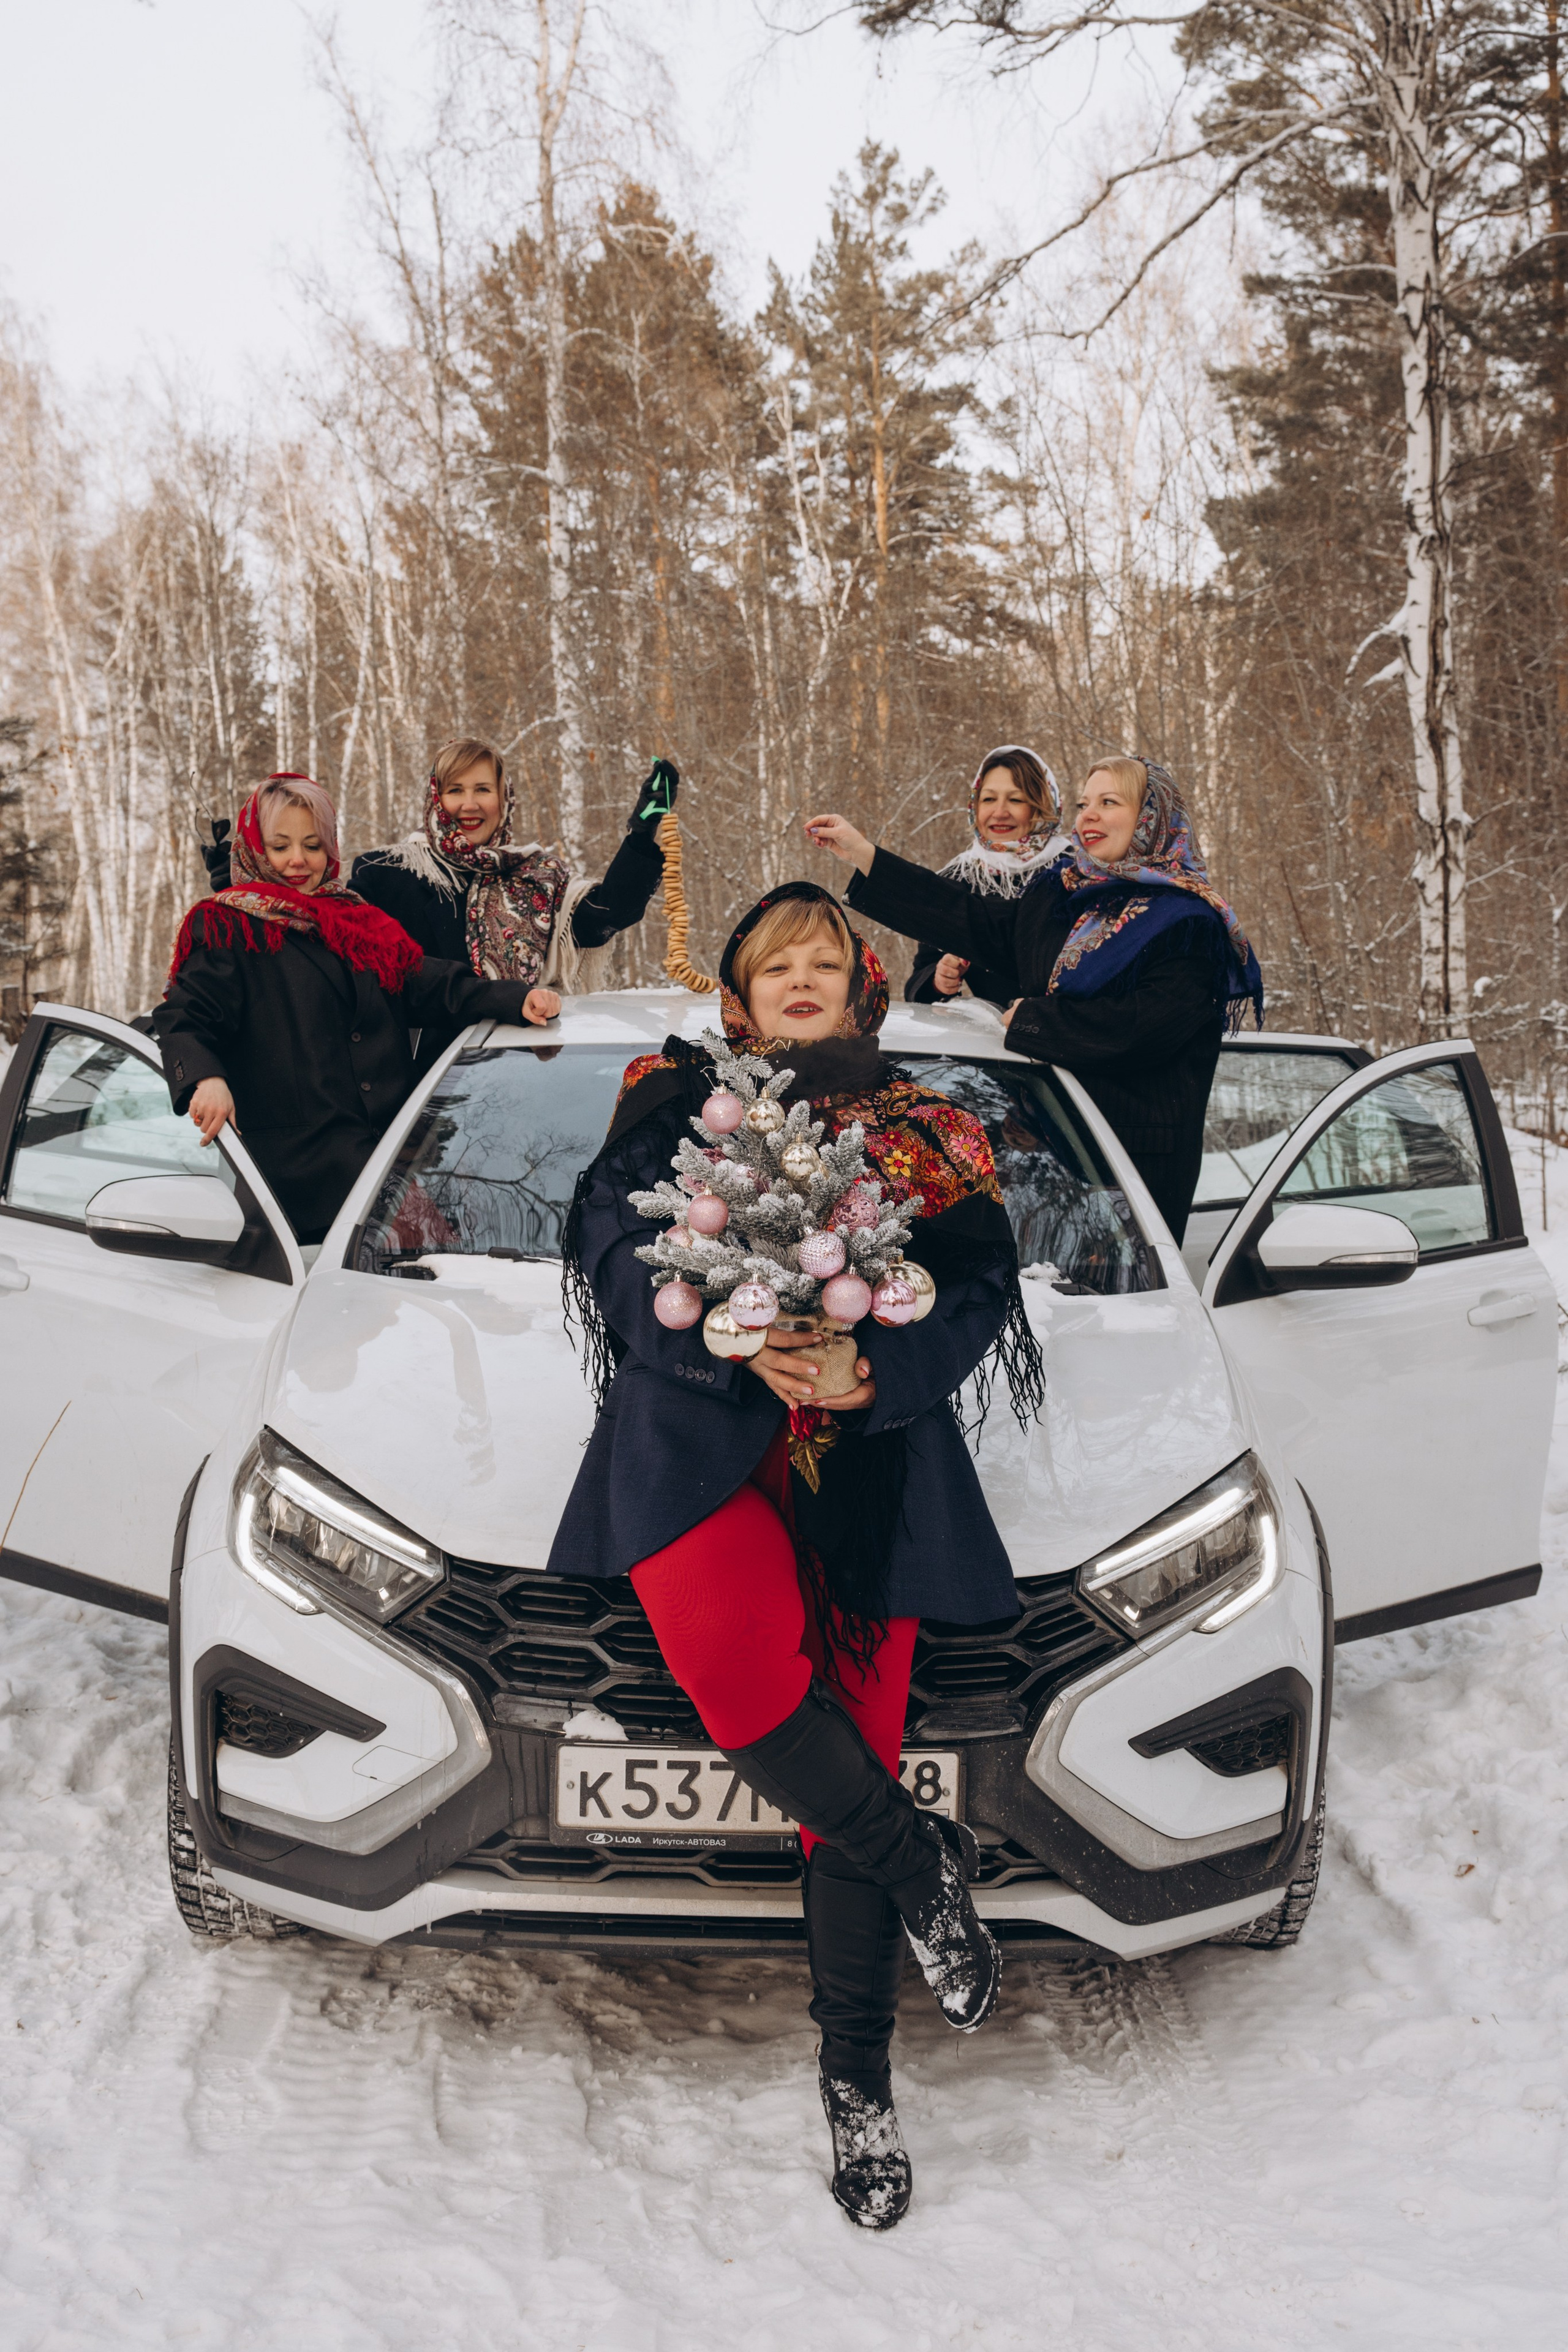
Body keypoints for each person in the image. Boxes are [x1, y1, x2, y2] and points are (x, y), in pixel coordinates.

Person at [549, 880, 1044, 2231]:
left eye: (829, 957)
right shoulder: (671, 1098)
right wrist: (711, 1336)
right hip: (694, 1450)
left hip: (865, 1465)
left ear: (861, 985)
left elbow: (979, 1283)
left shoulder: (922, 1121)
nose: (806, 976)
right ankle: (923, 1860)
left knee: (856, 1755)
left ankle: (857, 2086)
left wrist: (865, 1367)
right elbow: (606, 1249)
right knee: (744, 1687)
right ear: (738, 991)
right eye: (779, 962)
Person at [806, 756, 1263, 1245]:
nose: (1088, 816)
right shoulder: (1063, 897)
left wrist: (1034, 1020)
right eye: (1085, 803)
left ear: (1150, 817)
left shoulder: (1188, 923)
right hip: (1040, 1159)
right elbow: (968, 916)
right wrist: (864, 854)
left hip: (1128, 1167)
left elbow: (1142, 1029)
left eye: (1109, 803)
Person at [154, 772, 552, 1246]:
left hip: (389, 1162)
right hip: (299, 1188)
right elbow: (184, 1016)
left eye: (313, 845)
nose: (298, 861)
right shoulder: (228, 927)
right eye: (280, 847)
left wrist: (514, 999)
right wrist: (205, 1078)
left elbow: (425, 982)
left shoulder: (356, 922)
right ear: (256, 850)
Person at [348, 739, 672, 1058]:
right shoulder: (388, 873)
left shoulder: (538, 876)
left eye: (483, 790)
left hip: (525, 1070)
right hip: (429, 1085)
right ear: (436, 797)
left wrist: (643, 829)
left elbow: (608, 913)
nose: (470, 804)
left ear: (505, 799)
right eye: (455, 790)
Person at [905, 744, 1065, 1007]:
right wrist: (939, 980)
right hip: (994, 1042)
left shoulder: (1073, 870)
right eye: (989, 799)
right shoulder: (958, 879)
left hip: (1069, 1036)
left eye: (1015, 800)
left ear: (1041, 805)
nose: (999, 812)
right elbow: (918, 983)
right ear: (974, 805)